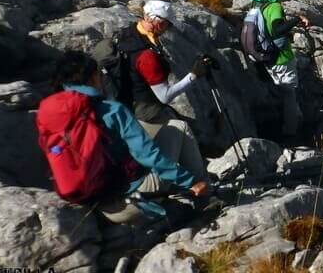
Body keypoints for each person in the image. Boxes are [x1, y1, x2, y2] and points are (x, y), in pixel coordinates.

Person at [46, 50, 210, 225]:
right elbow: (148, 154)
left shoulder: (51, 113)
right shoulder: (111, 111)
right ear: (93, 78)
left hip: (91, 204)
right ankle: (204, 194)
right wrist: (190, 182)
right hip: (132, 199)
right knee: (178, 128)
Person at [115, 0, 209, 134]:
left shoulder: (130, 33)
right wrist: (194, 75)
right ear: (158, 23)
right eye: (168, 24)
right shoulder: (147, 56)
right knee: (185, 131)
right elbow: (165, 96)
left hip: (129, 102)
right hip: (145, 111)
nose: (168, 28)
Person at [246, 0, 310, 137]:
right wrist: (297, 19)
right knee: (289, 95)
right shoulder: (275, 6)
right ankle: (291, 133)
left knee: (279, 92)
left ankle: (277, 127)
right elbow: (277, 30)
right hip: (281, 58)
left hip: (266, 56)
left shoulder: (259, 4)